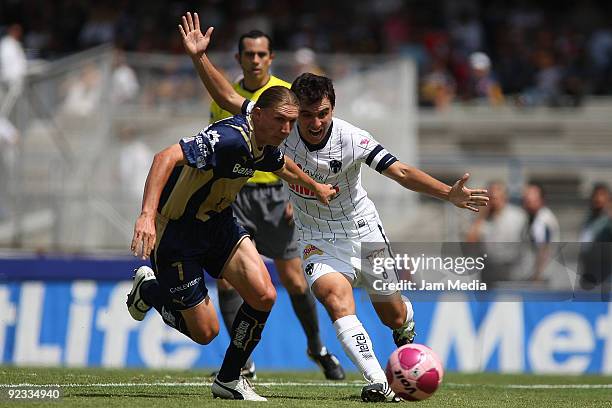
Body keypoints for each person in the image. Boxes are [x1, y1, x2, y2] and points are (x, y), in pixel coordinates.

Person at [180, 12, 488, 402]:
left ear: (333, 109)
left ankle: (404, 324)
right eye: (306, 115)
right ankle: (380, 380)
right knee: (334, 298)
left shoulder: (352, 138)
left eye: (322, 113)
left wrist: (448, 194)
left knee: (392, 315)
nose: (313, 122)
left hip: (363, 231)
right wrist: (199, 58)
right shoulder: (280, 129)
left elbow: (402, 172)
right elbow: (227, 97)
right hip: (315, 239)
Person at [128, 14, 337, 401]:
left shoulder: (265, 141)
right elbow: (163, 157)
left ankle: (229, 379)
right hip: (179, 233)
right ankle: (151, 291)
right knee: (203, 331)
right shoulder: (227, 139)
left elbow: (282, 164)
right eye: (281, 121)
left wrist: (315, 187)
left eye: (292, 123)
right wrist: (146, 215)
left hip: (220, 224)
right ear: (257, 115)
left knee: (265, 295)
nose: (287, 131)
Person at [209, 29, 344, 380]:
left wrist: (293, 194)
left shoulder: (287, 95)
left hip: (276, 193)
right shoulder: (224, 98)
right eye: (248, 54)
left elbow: (301, 149)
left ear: (270, 59)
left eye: (261, 54)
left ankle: (317, 347)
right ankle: (243, 361)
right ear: (239, 59)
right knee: (227, 280)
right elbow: (220, 148)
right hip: (236, 195)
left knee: (294, 280)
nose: (255, 60)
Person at [466, 181, 526, 284]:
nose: (494, 200)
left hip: (511, 268)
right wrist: (481, 216)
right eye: (491, 196)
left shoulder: (518, 215)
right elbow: (470, 242)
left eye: (497, 195)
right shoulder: (482, 218)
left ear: (505, 196)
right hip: (488, 267)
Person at [522, 182, 560, 282]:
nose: (528, 200)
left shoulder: (542, 220)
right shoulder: (533, 217)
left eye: (532, 197)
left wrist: (537, 277)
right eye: (526, 197)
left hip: (542, 278)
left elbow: (543, 249)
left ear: (541, 199)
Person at [579, 182, 612, 288]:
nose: (597, 199)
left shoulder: (608, 222)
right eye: (595, 195)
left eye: (601, 195)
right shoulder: (589, 220)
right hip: (590, 273)